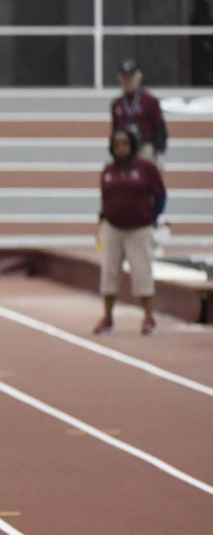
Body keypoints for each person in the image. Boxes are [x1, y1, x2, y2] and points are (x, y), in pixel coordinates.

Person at [95, 126, 166, 336]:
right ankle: (107, 317)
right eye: (116, 144)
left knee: (142, 272)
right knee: (109, 272)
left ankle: (148, 317)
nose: (121, 148)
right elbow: (105, 198)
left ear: (132, 145)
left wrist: (150, 219)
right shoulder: (108, 171)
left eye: (125, 143)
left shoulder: (146, 168)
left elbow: (160, 197)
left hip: (139, 229)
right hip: (112, 228)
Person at [111, 59, 167, 166]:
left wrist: (159, 154)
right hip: (124, 148)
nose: (128, 81)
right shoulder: (117, 104)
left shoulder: (150, 101)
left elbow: (159, 127)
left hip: (145, 146)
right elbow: (115, 129)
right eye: (124, 78)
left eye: (131, 77)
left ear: (139, 77)